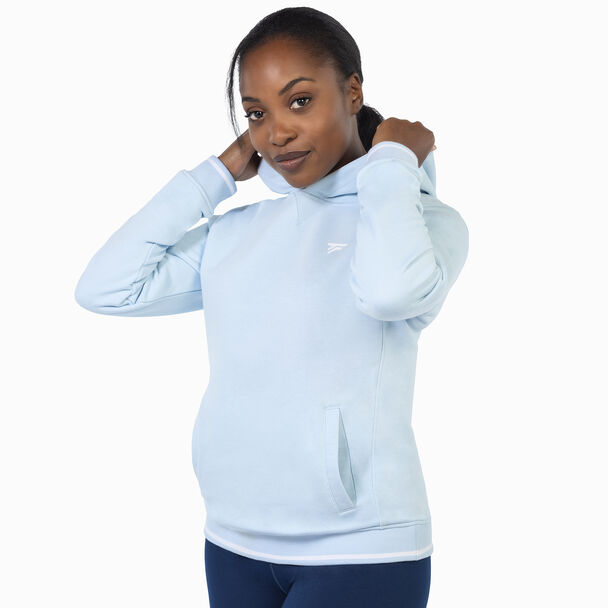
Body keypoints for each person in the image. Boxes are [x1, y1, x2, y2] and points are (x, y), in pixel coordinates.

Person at [74, 6, 469, 607]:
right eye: (257, 114)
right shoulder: (240, 230)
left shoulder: (420, 222)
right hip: (232, 538)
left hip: (360, 551)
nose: (276, 133)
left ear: (353, 92)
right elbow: (106, 287)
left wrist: (391, 162)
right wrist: (215, 176)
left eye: (299, 101)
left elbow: (390, 292)